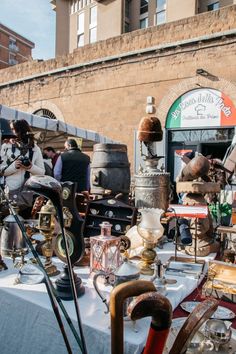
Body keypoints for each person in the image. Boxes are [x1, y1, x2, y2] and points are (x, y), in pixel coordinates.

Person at [0, 119, 45, 208]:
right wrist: (14, 166)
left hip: (27, 193)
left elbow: (42, 173)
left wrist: (30, 167)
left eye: (13, 129)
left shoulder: (35, 148)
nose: (10, 132)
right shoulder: (6, 147)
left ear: (21, 130)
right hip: (9, 192)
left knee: (25, 220)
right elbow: (1, 170)